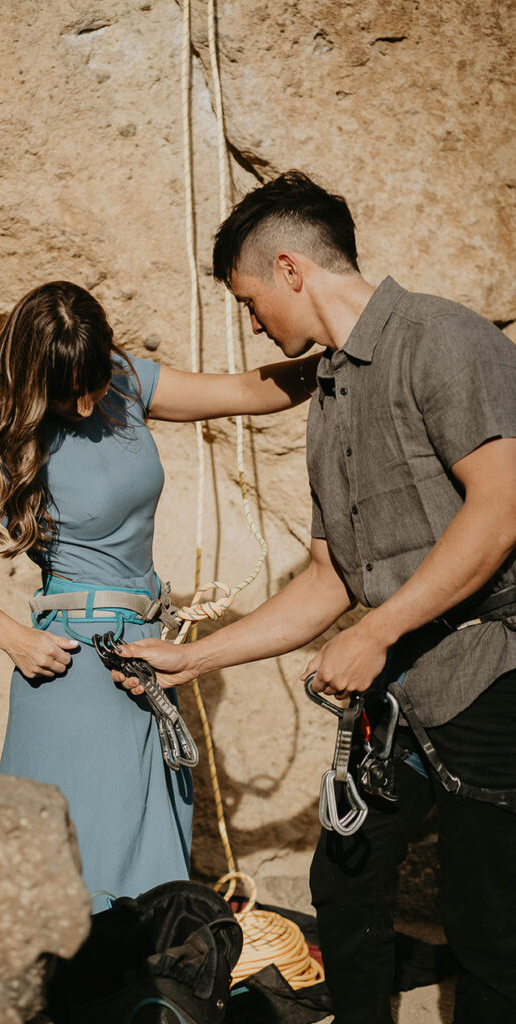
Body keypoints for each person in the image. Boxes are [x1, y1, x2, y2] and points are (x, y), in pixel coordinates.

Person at [115, 172, 516, 1022]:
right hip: (401, 692)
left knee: (491, 929)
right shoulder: (328, 396)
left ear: (291, 268)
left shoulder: (444, 337)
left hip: (493, 674)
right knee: (347, 880)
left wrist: (378, 633)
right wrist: (192, 658)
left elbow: (502, 505)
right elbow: (330, 576)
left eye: (251, 302)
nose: (254, 324)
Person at [0, 279, 319, 912]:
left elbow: (241, 391)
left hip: (150, 656)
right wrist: (13, 637)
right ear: (35, 380)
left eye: (94, 385)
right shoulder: (1, 441)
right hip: (75, 670)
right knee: (82, 872)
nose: (91, 405)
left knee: (153, 863)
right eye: (72, 396)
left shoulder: (120, 378)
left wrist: (346, 353)